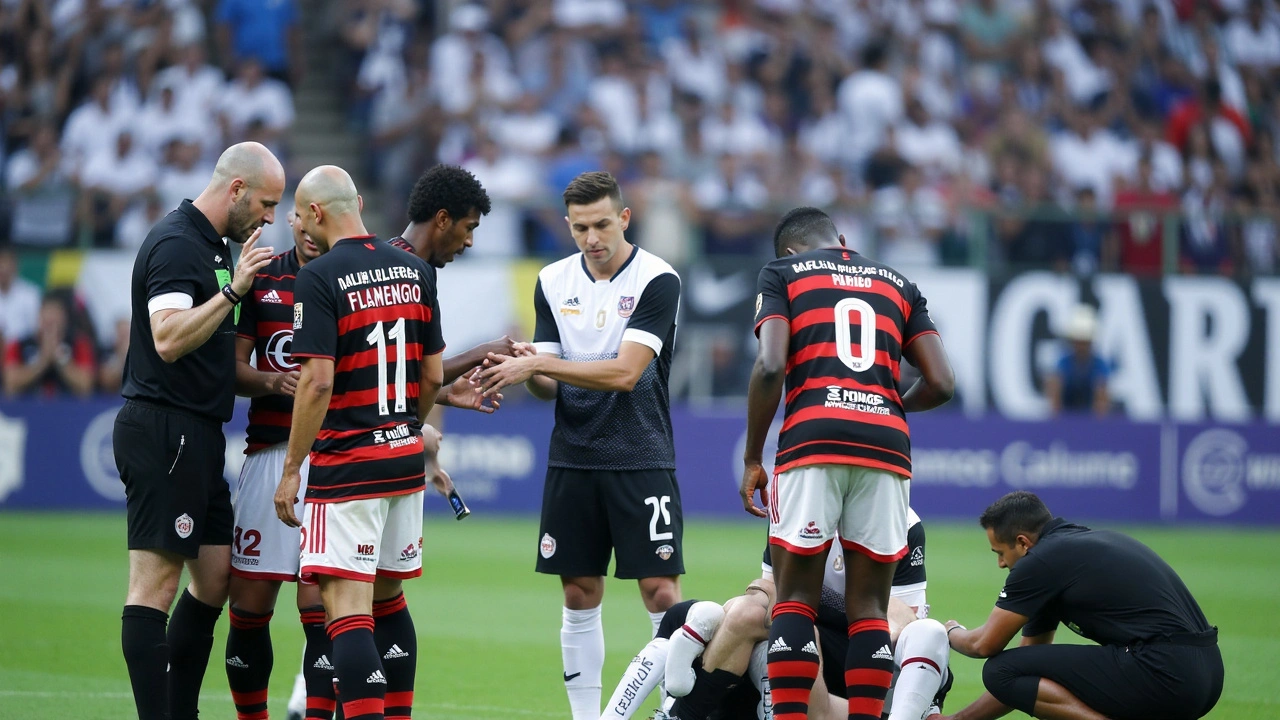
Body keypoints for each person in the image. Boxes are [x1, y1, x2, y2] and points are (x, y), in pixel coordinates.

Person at [476, 171, 684, 720]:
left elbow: (626, 373)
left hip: (641, 454)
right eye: (578, 228)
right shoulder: (552, 280)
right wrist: (522, 370)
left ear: (624, 219)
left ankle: (668, 712)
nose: (591, 238)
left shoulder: (658, 279)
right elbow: (548, 385)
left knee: (663, 595)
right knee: (578, 593)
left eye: (600, 225)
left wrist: (541, 362)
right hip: (574, 455)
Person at [740, 207, 954, 720]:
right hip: (886, 446)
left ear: (789, 251)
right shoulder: (900, 282)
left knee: (793, 600)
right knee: (869, 612)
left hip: (812, 440)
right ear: (839, 239)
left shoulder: (782, 273)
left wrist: (752, 456)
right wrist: (887, 403)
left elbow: (770, 364)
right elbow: (943, 382)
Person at [114, 141, 283, 720]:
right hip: (164, 429)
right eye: (265, 202)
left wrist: (268, 383)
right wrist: (234, 290)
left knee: (215, 580)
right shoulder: (178, 243)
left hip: (199, 434)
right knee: (153, 590)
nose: (269, 217)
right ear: (236, 189)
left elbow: (209, 355)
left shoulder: (212, 246)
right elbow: (167, 337)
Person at [274, 165, 442, 720]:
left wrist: (293, 466)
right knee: (389, 601)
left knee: (345, 611)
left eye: (299, 213)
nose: (297, 223)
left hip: (347, 465)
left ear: (316, 213)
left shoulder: (318, 276)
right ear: (360, 201)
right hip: (403, 462)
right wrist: (404, 429)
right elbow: (433, 376)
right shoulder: (416, 270)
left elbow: (317, 381)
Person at [604, 509, 952, 720]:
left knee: (792, 632)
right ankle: (681, 715)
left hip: (863, 649)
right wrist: (761, 606)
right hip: (804, 626)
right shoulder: (794, 509)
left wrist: (803, 612)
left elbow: (900, 619)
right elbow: (768, 590)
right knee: (737, 614)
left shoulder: (901, 522)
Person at [936, 491, 1223, 720]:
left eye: (1000, 553)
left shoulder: (1041, 562)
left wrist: (947, 632)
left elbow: (984, 645)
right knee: (1011, 670)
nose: (1000, 563)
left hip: (1165, 671)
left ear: (1023, 543)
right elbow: (1030, 658)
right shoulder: (1066, 550)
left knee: (998, 669)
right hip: (1205, 673)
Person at [2, 292, 96, 398]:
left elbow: (86, 385)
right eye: (47, 315)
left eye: (55, 316)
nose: (51, 321)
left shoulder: (79, 343)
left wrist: (59, 357)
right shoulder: (19, 344)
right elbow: (10, 383)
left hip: (69, 408)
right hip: (27, 408)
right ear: (39, 316)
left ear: (64, 317)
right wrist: (43, 360)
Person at [1043, 304, 1109, 417]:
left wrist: (1098, 426)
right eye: (1078, 341)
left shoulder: (1099, 365)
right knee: (1053, 382)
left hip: (1091, 419)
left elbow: (1102, 401)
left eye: (1085, 341)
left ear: (1091, 342)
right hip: (1065, 417)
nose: (1081, 346)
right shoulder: (1063, 363)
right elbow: (1054, 399)